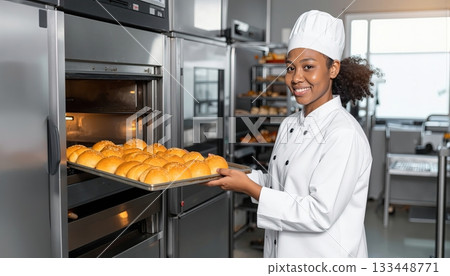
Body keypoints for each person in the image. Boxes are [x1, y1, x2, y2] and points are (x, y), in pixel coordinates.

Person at [206, 10, 381, 257]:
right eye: (290, 67)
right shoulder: (290, 123)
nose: (296, 78)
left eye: (308, 66)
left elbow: (319, 213)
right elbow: (283, 185)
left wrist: (251, 189)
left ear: (333, 69)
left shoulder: (344, 134)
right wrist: (245, 179)